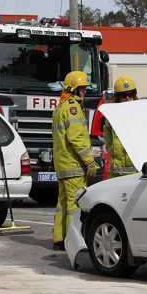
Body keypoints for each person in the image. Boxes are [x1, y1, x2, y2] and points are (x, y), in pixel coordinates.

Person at [51, 71, 97, 251]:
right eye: (82, 89)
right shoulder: (73, 108)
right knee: (74, 205)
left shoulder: (61, 107)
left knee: (62, 204)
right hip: (73, 166)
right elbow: (76, 138)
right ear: (73, 89)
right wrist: (89, 161)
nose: (84, 92)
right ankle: (73, 242)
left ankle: (59, 239)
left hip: (63, 166)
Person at [103, 76, 138, 178]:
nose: (127, 98)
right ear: (118, 97)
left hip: (135, 172)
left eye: (130, 94)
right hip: (116, 171)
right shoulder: (111, 114)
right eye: (123, 95)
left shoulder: (140, 113)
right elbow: (107, 133)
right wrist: (111, 149)